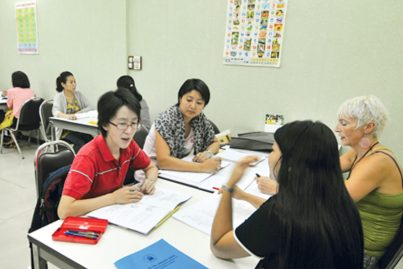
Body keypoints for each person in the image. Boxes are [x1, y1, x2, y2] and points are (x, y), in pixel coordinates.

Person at [211, 120, 363, 268]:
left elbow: (219, 245)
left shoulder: (280, 212)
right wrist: (245, 196)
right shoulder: (343, 202)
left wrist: (229, 186)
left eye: (273, 151)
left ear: (289, 164)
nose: (270, 157)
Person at [58, 88, 158, 219]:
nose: (129, 131)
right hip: (88, 219)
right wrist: (113, 198)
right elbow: (64, 211)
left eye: (134, 123)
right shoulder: (88, 157)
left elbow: (150, 167)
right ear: (105, 124)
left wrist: (149, 181)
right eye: (122, 124)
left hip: (114, 213)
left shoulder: (129, 146)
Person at [336, 95, 403, 268]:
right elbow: (325, 167)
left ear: (369, 127)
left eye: (343, 123)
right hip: (352, 239)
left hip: (363, 255)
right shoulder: (362, 151)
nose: (337, 129)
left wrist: (280, 188)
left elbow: (332, 201)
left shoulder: (377, 163)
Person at [143, 78, 221, 173]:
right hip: (151, 173)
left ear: (204, 105)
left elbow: (215, 142)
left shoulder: (200, 119)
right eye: (189, 100)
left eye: (199, 103)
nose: (193, 106)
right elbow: (163, 161)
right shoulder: (165, 120)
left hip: (178, 172)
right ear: (180, 98)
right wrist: (203, 167)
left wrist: (207, 153)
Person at [52, 71, 93, 152]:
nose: (74, 84)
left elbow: (90, 107)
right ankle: (74, 161)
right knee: (80, 143)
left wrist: (78, 113)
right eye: (71, 82)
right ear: (63, 84)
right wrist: (67, 116)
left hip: (79, 128)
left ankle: (88, 161)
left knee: (92, 140)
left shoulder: (78, 94)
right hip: (65, 131)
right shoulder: (59, 97)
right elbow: (56, 112)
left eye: (75, 82)